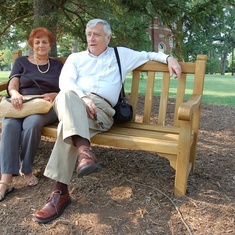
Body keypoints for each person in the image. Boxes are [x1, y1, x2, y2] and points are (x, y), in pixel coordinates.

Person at [34, 19, 181, 224]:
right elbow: (65, 83)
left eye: (96, 34)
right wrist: (83, 99)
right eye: (89, 34)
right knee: (67, 96)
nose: (91, 38)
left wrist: (169, 57)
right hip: (73, 102)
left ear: (108, 37)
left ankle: (60, 193)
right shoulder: (76, 58)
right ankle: (84, 152)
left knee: (66, 127)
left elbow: (149, 55)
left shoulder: (121, 54)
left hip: (100, 111)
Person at [0, 27, 63, 202]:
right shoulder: (21, 62)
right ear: (32, 45)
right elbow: (13, 84)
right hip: (21, 103)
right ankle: (6, 179)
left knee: (32, 123)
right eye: (37, 42)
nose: (41, 45)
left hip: (45, 106)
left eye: (45, 42)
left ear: (50, 45)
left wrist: (55, 95)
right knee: (10, 125)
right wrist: (15, 94)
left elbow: (68, 86)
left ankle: (26, 169)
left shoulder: (58, 66)